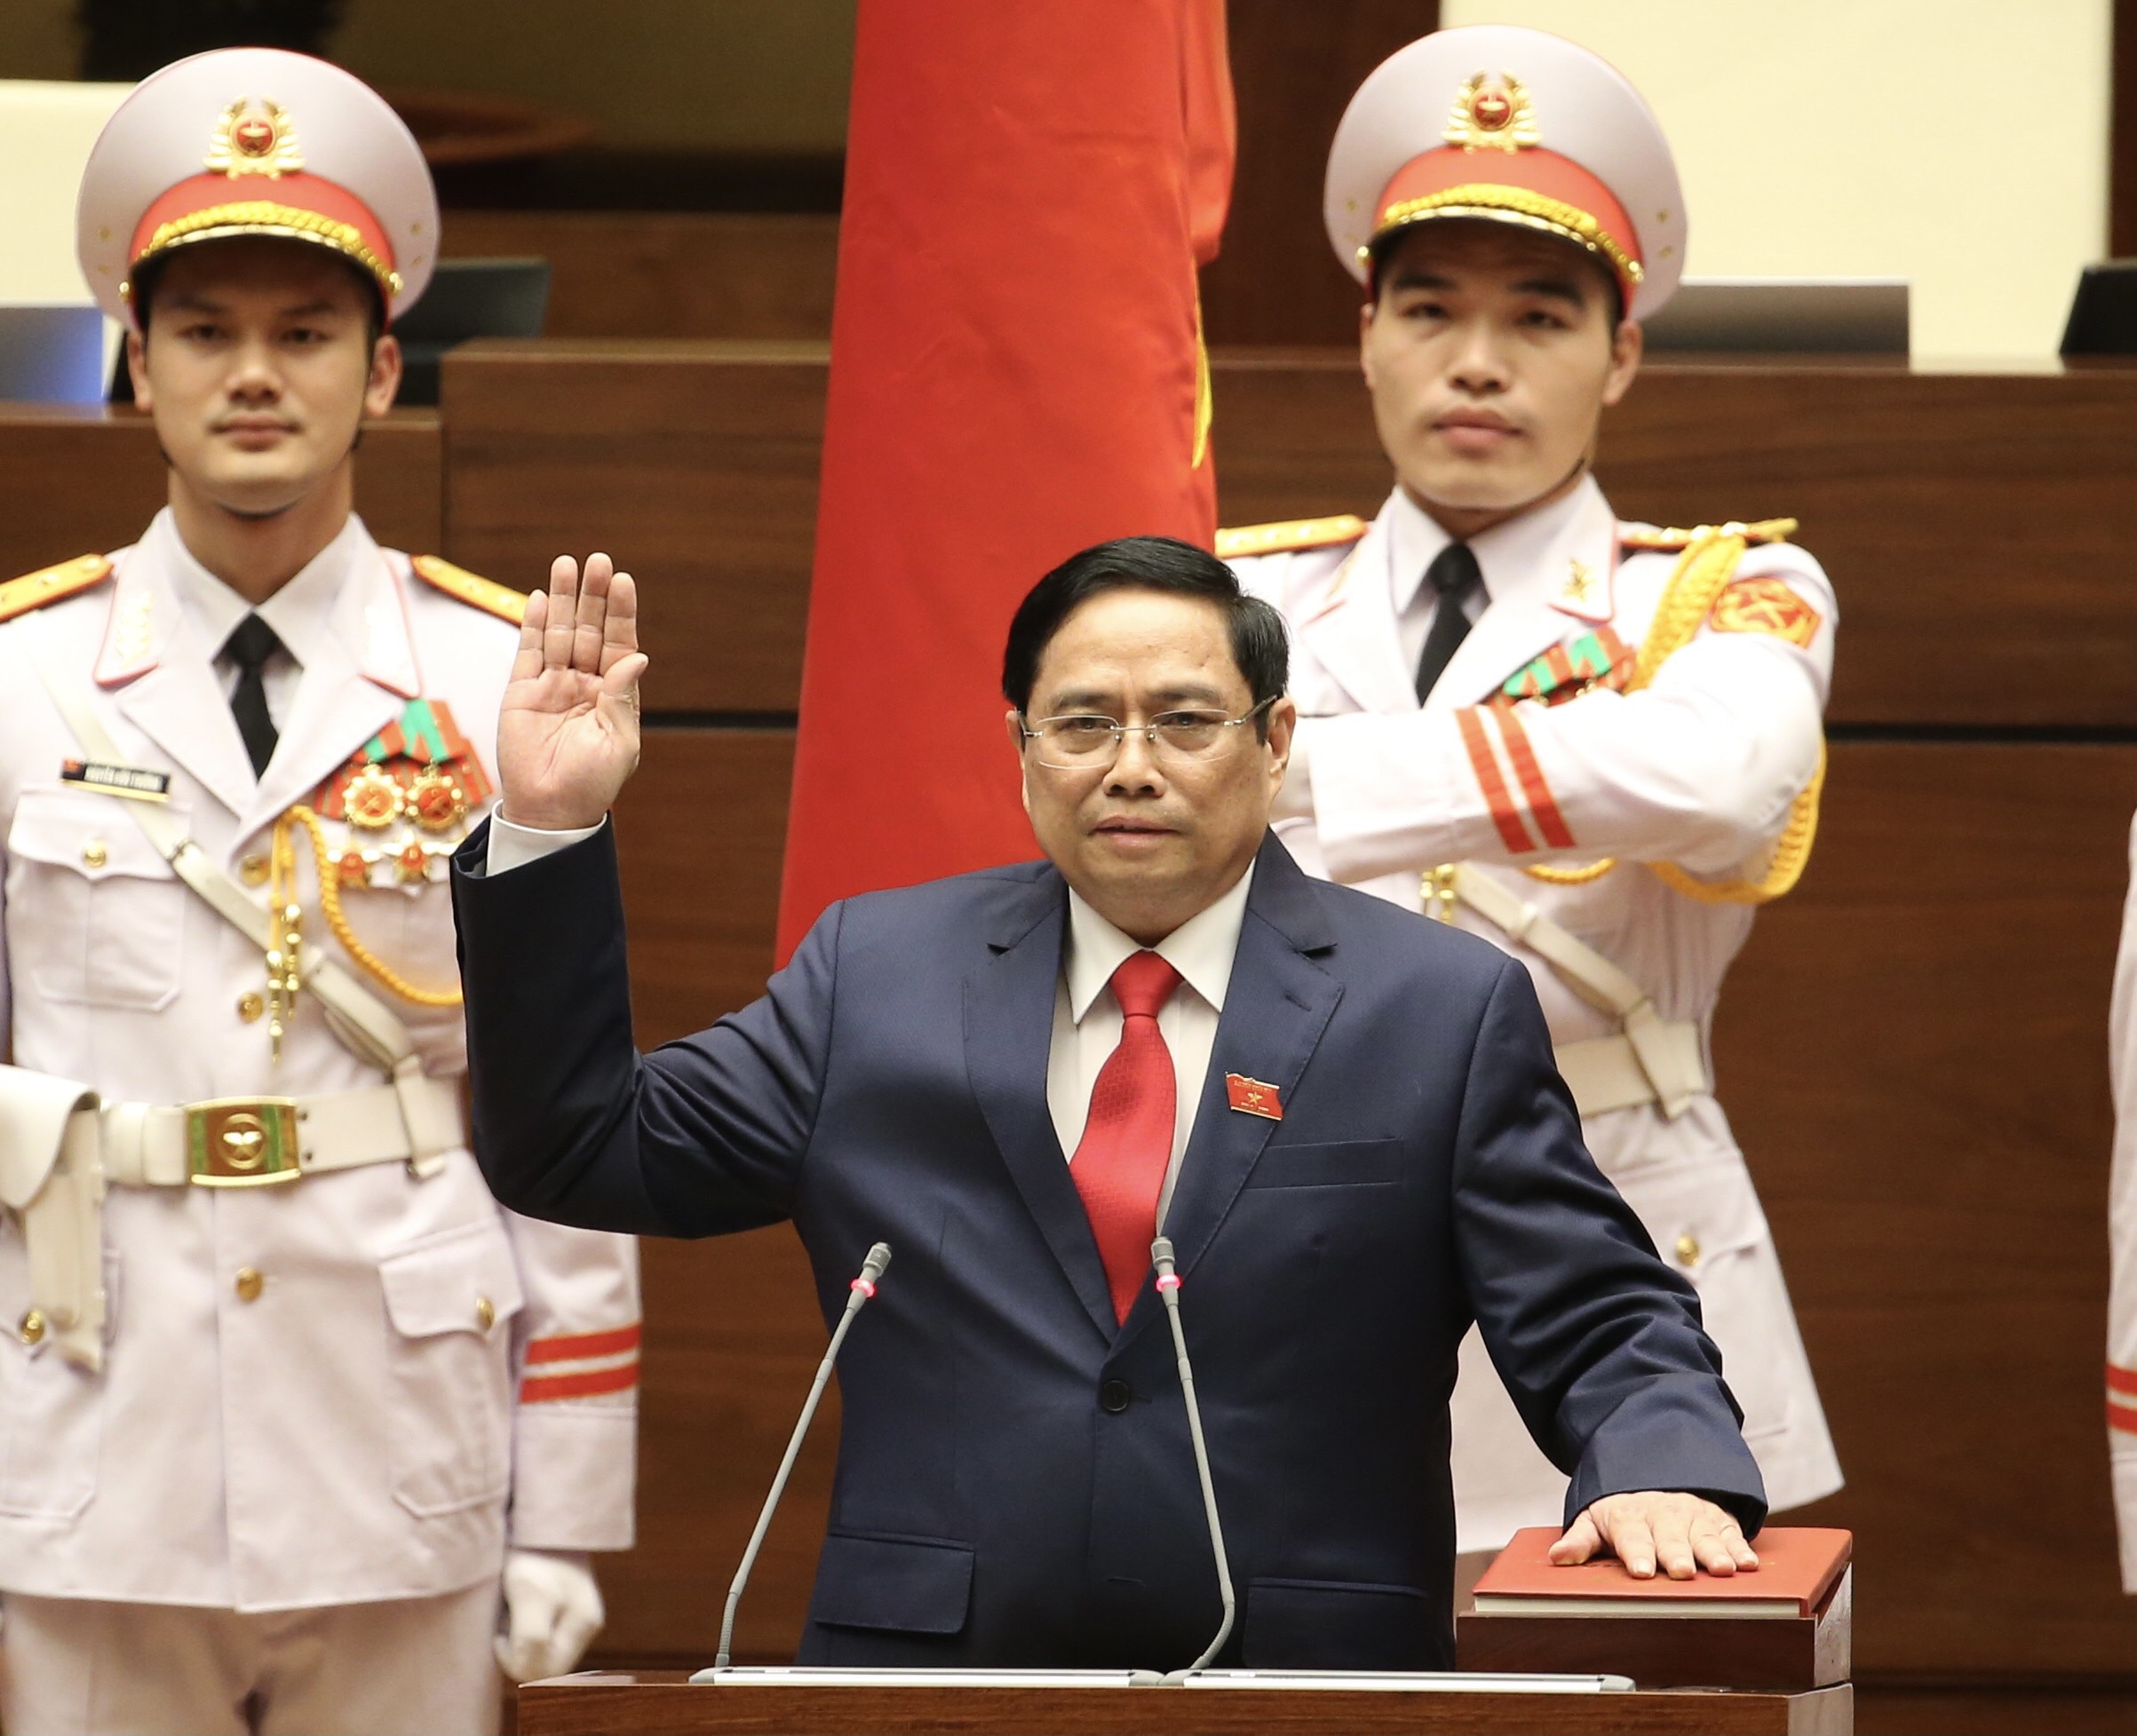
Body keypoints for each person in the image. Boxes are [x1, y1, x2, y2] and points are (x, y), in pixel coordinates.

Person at [449, 535, 1766, 1671]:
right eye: (1081, 724)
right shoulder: (879, 974)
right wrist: (550, 826)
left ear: (1274, 740)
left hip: (1303, 1671)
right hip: (927, 1677)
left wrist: (1658, 1463)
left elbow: (1595, 1308)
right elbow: (578, 1147)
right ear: (1020, 748)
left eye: (1185, 721)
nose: (1129, 767)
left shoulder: (1434, 1006)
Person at [0, 49, 637, 1735]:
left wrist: (564, 1500)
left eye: (305, 332)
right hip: (84, 1430)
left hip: (399, 1439)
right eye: (206, 330)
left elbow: (557, 1100)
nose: (255, 374)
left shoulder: (502, 676)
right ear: (136, 366)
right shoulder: (20, 681)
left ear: (384, 367)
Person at [1222, 25, 1842, 1569]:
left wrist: (1303, 771)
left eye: (1540, 316)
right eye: (1427, 310)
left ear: (1621, 353)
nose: (1477, 362)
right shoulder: (1234, 594)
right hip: (1292, 1239)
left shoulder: (1722, 592)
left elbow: (1719, 776)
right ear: (1365, 332)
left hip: (1624, 1255)